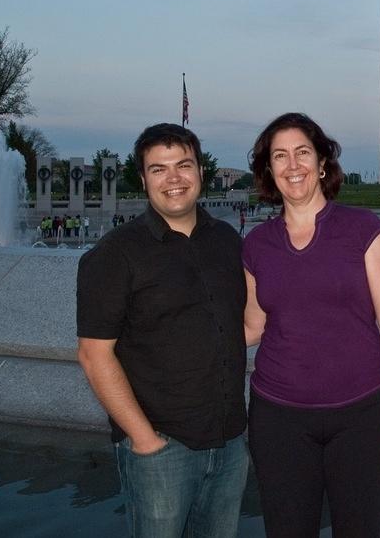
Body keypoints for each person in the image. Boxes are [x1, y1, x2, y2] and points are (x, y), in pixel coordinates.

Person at [242, 112, 380, 537]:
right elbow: (252, 326)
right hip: (278, 418)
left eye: (302, 152)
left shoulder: (363, 230)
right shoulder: (256, 245)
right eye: (279, 156)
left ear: (322, 163)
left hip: (360, 414)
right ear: (269, 170)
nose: (292, 165)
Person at [76, 123, 248, 537]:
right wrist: (145, 441)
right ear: (143, 179)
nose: (174, 178)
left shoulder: (227, 239)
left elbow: (238, 323)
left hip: (229, 441)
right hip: (162, 447)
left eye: (184, 165)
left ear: (200, 172)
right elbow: (94, 354)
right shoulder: (115, 254)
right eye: (159, 169)